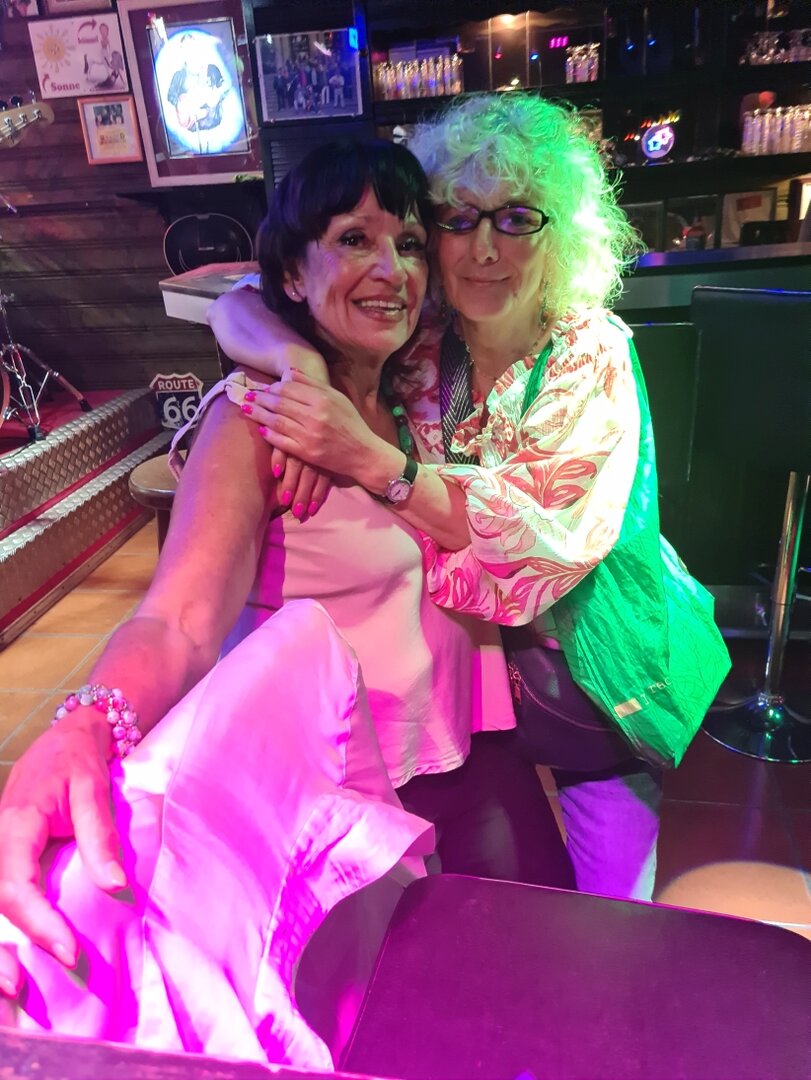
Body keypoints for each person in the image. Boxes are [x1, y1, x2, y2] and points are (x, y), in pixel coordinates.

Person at [0, 140, 573, 1029]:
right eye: (353, 239)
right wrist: (88, 720)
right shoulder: (257, 417)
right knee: (405, 1017)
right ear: (295, 277)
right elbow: (179, 619)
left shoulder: (415, 387)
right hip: (347, 787)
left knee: (535, 974)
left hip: (466, 750)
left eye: (409, 244)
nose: (391, 269)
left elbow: (240, 305)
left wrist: (314, 378)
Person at [207, 92, 726, 902]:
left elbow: (535, 548)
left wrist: (364, 455)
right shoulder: (417, 334)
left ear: (559, 233)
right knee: (488, 901)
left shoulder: (590, 353)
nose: (485, 248)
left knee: (609, 910)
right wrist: (299, 369)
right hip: (471, 684)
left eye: (516, 218)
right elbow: (246, 297)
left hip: (586, 672)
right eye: (459, 218)